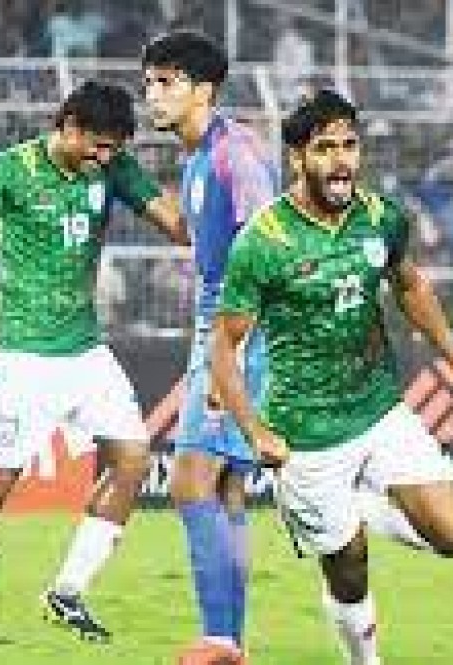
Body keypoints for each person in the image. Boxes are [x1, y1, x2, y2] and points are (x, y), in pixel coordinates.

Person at [211, 89, 453, 665]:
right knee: (349, 565)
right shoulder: (263, 242)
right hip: (304, 435)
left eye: (349, 146)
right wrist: (255, 432)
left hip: (378, 409)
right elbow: (225, 347)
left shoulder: (381, 218)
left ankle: (357, 505)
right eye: (325, 148)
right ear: (297, 158)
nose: (341, 160)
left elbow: (410, 286)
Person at [0, 80, 188, 646]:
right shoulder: (10, 169)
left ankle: (67, 593)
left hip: (85, 351)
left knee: (134, 459)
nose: (104, 157)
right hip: (22, 354)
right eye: (97, 145)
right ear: (67, 126)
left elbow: (178, 224)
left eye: (113, 148)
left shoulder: (113, 169)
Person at [142, 30, 278, 665]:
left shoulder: (235, 153)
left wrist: (236, 344)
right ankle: (230, 643)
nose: (153, 94)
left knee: (190, 479)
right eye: (149, 82)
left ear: (204, 89)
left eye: (166, 82)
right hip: (221, 325)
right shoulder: (199, 157)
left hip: (237, 329)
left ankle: (220, 637)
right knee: (224, 490)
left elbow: (269, 241)